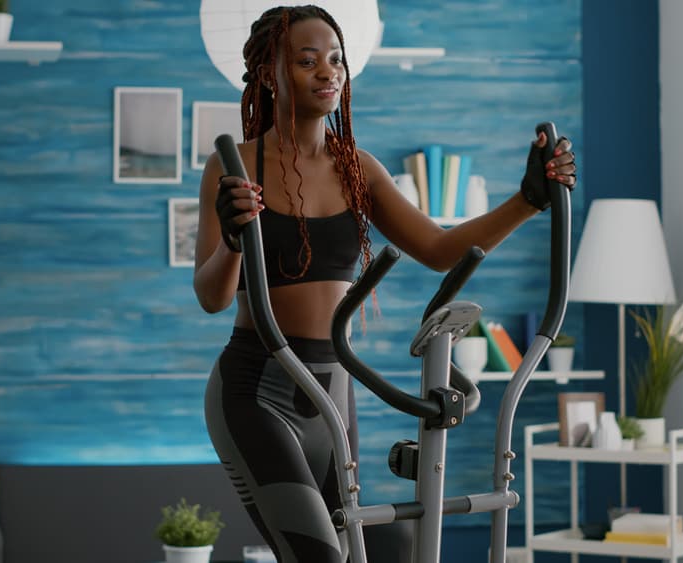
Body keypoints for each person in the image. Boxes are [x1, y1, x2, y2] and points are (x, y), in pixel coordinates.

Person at [194, 6, 576, 562]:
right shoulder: (233, 167)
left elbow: (441, 251)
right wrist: (233, 240)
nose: (328, 72)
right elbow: (211, 297)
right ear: (269, 72)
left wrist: (527, 200)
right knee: (320, 556)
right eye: (307, 61)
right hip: (257, 388)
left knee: (357, 554)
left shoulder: (358, 169)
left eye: (336, 59)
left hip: (334, 389)